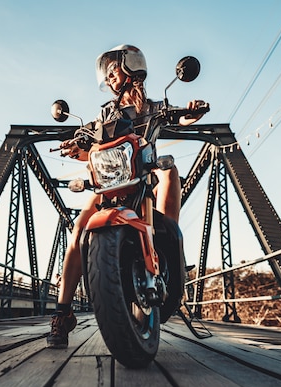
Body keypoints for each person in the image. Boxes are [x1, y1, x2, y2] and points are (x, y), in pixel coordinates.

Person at [47, 45, 207, 348]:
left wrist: (191, 113)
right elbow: (88, 145)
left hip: (145, 176)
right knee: (79, 231)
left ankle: (164, 237)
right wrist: (75, 146)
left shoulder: (153, 107)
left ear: (131, 67)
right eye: (105, 74)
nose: (108, 78)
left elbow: (178, 119)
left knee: (170, 172)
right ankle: (62, 312)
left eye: (113, 70)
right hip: (114, 184)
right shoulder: (105, 113)